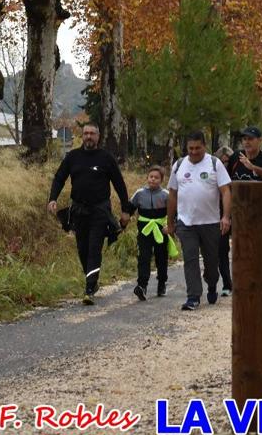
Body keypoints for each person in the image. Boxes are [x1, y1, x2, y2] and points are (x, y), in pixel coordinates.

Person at [47, 122, 130, 305]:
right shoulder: (72, 157)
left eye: (92, 133)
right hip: (78, 211)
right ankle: (91, 279)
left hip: (100, 211)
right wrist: (52, 198)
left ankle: (89, 288)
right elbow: (60, 177)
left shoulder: (106, 158)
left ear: (98, 136)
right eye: (86, 133)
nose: (89, 137)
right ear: (82, 136)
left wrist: (125, 209)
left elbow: (119, 184)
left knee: (94, 248)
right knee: (82, 249)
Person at [166, 131, 231, 311]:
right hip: (186, 223)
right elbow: (172, 195)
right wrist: (170, 222)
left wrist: (226, 217)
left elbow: (226, 191)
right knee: (190, 259)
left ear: (205, 146)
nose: (194, 152)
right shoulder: (179, 165)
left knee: (211, 261)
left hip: (210, 223)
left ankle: (211, 283)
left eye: (198, 148)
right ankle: (193, 296)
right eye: (191, 148)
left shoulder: (214, 163)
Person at [129, 165, 174, 300]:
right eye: (151, 177)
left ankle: (162, 283)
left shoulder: (166, 195)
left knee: (161, 257)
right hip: (145, 229)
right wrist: (123, 220)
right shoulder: (139, 193)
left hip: (161, 228)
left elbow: (174, 212)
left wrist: (171, 226)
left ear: (161, 180)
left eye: (156, 178)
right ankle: (142, 285)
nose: (153, 180)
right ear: (147, 178)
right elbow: (130, 208)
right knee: (144, 256)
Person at [228, 126, 262, 239]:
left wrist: (253, 167)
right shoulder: (236, 157)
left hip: (260, 214)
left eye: (250, 139)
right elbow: (225, 181)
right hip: (238, 214)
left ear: (260, 140)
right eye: (244, 139)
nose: (247, 142)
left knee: (258, 252)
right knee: (239, 251)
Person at [214, 146, 234, 295]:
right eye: (222, 161)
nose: (225, 164)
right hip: (219, 217)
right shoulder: (214, 175)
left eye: (227, 161)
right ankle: (227, 284)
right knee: (221, 251)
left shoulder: (237, 174)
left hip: (238, 216)